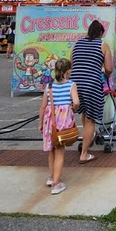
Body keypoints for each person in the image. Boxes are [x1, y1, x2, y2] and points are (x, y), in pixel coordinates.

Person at [70, 20, 114, 164]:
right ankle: (84, 154)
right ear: (101, 33)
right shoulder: (103, 45)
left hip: (75, 84)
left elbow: (72, 63)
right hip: (91, 84)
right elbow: (109, 68)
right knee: (91, 120)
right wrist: (106, 75)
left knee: (84, 112)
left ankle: (88, 138)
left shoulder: (78, 43)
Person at [39, 57, 79, 196]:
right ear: (68, 72)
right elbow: (76, 102)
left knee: (51, 150)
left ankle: (51, 177)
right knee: (60, 151)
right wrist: (72, 109)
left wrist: (40, 124)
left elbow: (43, 107)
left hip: (49, 122)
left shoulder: (49, 86)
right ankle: (56, 184)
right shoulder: (71, 85)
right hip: (62, 122)